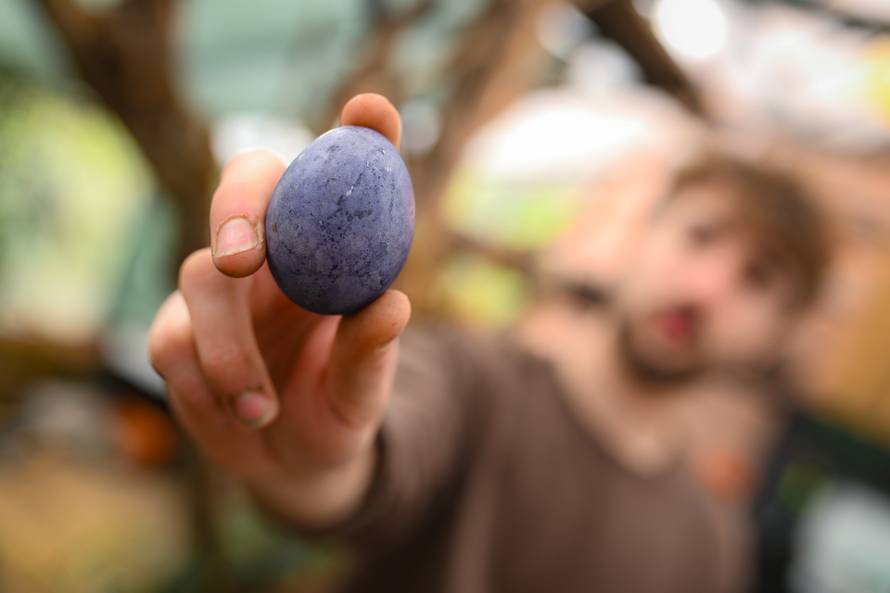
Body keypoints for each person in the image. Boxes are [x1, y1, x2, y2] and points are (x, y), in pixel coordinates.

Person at [148, 94, 830, 593]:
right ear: (644, 233)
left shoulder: (711, 549)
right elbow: (363, 470)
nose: (706, 287)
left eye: (758, 278)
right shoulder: (470, 380)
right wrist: (307, 466)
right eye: (700, 235)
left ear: (778, 335)